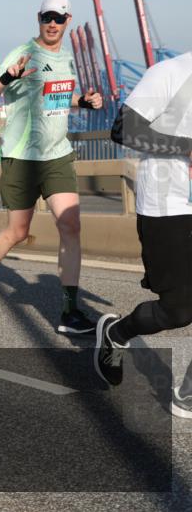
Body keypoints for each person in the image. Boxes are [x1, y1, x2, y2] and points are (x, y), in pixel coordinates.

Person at [0, 0, 103, 335]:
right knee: (18, 231)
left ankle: (70, 312)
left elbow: (57, 96)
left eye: (59, 18)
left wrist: (82, 102)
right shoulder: (23, 52)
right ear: (39, 19)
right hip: (22, 158)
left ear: (68, 20)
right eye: (47, 18)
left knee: (70, 226)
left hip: (57, 155)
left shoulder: (67, 59)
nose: (53, 24)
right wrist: (8, 78)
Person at [96, 51, 192, 419]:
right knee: (179, 310)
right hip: (167, 206)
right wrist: (186, 147)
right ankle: (117, 333)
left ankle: (187, 395)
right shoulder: (169, 72)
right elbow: (124, 129)